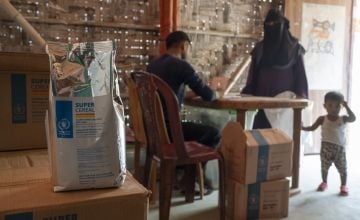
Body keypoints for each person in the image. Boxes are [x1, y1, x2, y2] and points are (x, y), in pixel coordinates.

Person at [146, 30, 220, 194]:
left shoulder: (153, 65)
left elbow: (165, 93)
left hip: (152, 130)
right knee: (213, 133)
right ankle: (189, 180)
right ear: (183, 45)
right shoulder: (181, 65)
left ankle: (178, 175)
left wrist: (185, 94)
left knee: (193, 130)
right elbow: (208, 95)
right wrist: (215, 90)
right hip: (170, 131)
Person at [241, 9, 308, 129]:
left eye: (275, 25)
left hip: (285, 107)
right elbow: (252, 76)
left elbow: (301, 78)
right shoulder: (260, 49)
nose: (272, 28)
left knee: (283, 141)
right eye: (269, 25)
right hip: (261, 104)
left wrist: (300, 106)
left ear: (283, 26)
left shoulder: (294, 49)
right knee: (261, 140)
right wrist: (247, 98)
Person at [302, 91, 356, 196]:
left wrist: (347, 106)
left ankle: (343, 185)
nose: (333, 109)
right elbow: (312, 128)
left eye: (337, 106)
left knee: (343, 168)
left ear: (341, 107)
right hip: (326, 148)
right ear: (324, 106)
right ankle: (324, 182)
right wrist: (302, 127)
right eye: (330, 106)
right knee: (324, 167)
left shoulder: (343, 118)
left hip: (339, 149)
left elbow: (353, 118)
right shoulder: (322, 119)